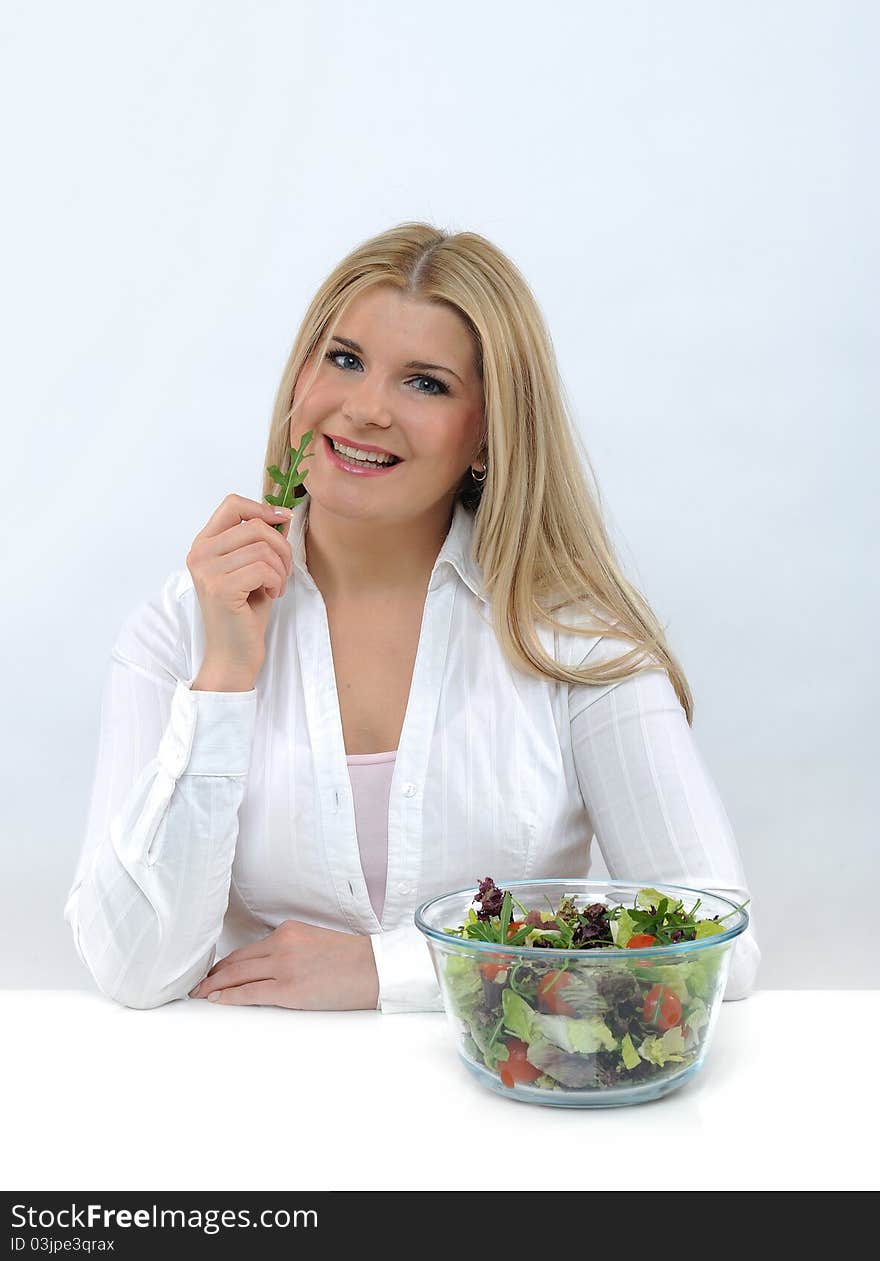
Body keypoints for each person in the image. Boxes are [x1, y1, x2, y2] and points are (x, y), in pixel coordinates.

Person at [64, 221, 760, 1013]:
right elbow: (133, 968)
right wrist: (222, 682)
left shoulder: (575, 638)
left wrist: (390, 970)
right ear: (300, 379)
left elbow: (718, 942)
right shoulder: (178, 631)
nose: (366, 409)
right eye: (345, 359)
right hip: (252, 1100)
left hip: (512, 1115)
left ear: (488, 437)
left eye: (425, 382)